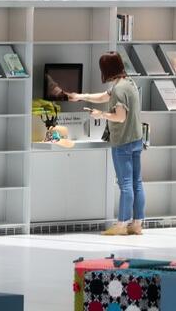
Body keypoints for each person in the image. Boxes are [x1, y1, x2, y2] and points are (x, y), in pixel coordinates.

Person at [68, 52, 145, 236]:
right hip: (136, 139)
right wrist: (81, 96)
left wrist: (100, 115)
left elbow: (119, 117)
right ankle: (137, 223)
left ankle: (121, 224)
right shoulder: (129, 83)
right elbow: (104, 96)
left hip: (123, 142)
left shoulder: (119, 89)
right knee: (137, 183)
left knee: (125, 184)